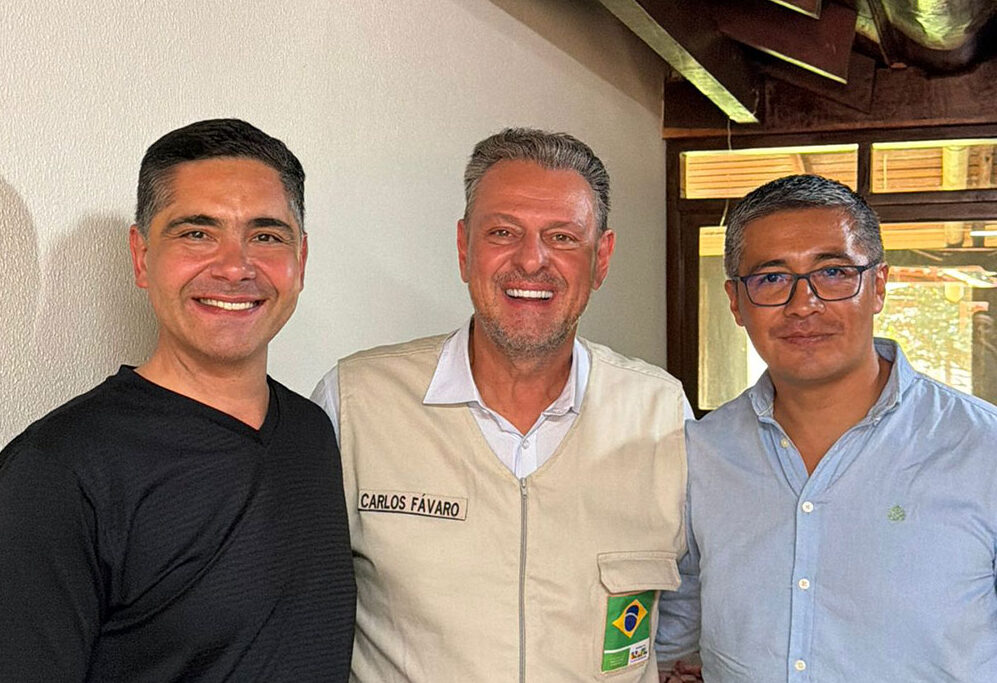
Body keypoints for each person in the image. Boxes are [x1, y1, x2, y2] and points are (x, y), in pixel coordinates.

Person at [312, 128, 690, 681]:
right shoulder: (356, 401)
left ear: (601, 258)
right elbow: (299, 605)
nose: (531, 261)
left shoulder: (661, 413)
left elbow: (687, 606)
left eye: (562, 237)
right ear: (464, 248)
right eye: (503, 232)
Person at [0, 119, 355, 681]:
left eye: (266, 236)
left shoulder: (315, 432)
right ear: (142, 257)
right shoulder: (56, 472)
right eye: (197, 233)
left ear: (301, 259)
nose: (236, 266)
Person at [656, 174, 997, 681]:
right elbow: (676, 625)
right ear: (735, 302)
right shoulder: (701, 452)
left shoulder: (982, 449)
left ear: (878, 285)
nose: (803, 304)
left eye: (834, 272)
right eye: (772, 278)